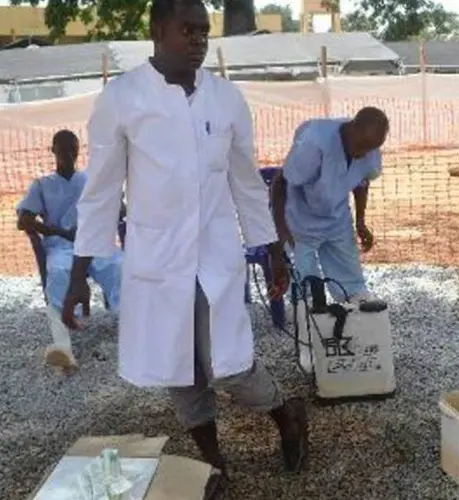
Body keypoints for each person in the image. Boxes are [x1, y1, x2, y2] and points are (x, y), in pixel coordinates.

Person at [60, 0, 309, 485]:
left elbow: (246, 183)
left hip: (215, 257)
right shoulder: (123, 98)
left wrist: (273, 250)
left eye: (203, 31)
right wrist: (78, 276)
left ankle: (286, 413)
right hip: (158, 260)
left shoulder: (226, 99)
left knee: (229, 365)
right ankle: (213, 464)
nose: (198, 40)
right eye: (187, 30)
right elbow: (102, 192)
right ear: (157, 31)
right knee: (178, 367)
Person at [16, 129, 122, 372]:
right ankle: (62, 347)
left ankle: (131, 330)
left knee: (120, 267)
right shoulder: (42, 185)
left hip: (95, 242)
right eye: (62, 149)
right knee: (58, 274)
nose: (68, 154)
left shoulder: (89, 180)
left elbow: (117, 208)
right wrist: (56, 231)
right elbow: (24, 220)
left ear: (78, 151)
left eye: (72, 149)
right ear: (53, 151)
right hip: (61, 247)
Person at [270, 107, 389, 303]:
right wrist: (279, 239)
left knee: (354, 290)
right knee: (305, 292)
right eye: (361, 146)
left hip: (337, 221)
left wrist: (360, 222)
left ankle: (353, 324)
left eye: (370, 149)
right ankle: (308, 319)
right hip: (299, 223)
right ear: (351, 129)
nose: (363, 154)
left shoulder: (369, 149)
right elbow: (279, 184)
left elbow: (361, 181)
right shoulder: (314, 143)